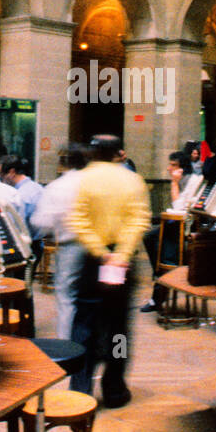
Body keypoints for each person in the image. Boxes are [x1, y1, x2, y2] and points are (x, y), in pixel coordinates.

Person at [66, 135, 151, 407]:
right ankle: (114, 390)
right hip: (122, 266)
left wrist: (102, 253)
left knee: (84, 326)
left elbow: (77, 218)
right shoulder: (132, 180)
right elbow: (139, 219)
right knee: (118, 329)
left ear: (93, 153)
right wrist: (121, 255)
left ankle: (81, 390)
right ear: (119, 154)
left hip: (93, 262)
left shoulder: (84, 178)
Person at [32, 144, 88, 339]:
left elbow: (41, 221)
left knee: (66, 299)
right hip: (100, 248)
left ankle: (68, 347)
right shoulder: (96, 183)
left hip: (70, 246)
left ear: (63, 162)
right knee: (92, 299)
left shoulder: (58, 186)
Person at [140, 151, 194, 312]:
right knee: (149, 237)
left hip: (187, 227)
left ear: (183, 169)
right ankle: (157, 272)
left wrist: (174, 184)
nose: (169, 169)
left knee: (166, 253)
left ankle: (159, 290)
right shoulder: (183, 180)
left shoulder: (190, 182)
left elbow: (179, 208)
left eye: (173, 165)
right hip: (176, 223)